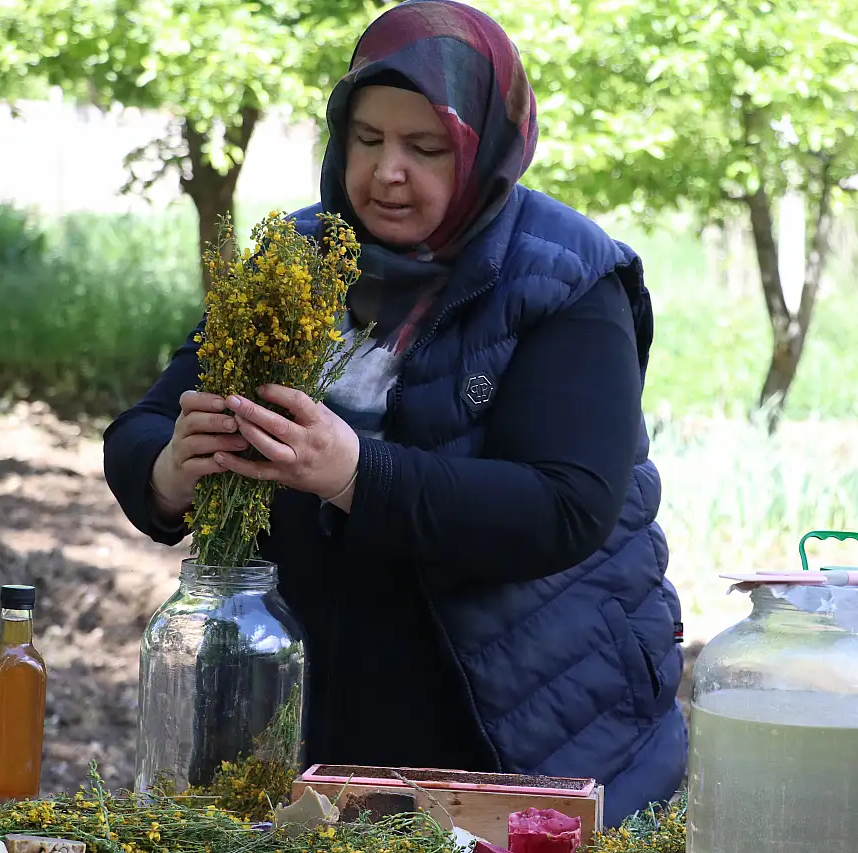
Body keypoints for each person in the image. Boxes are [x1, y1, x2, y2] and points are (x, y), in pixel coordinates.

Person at [103, 0, 686, 825]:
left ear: (486, 146)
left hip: (523, 731)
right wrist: (167, 473)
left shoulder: (568, 278)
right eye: (368, 140)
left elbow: (565, 508)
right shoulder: (296, 260)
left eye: (425, 147)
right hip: (313, 725)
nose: (387, 172)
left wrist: (354, 474)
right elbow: (141, 428)